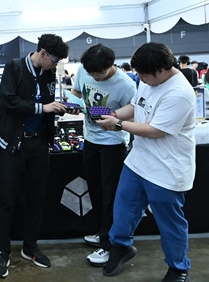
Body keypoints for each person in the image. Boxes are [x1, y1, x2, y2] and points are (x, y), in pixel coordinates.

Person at [96, 42, 196, 282]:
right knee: (123, 209)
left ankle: (178, 267)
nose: (139, 78)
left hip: (167, 169)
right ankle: (121, 246)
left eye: (143, 75)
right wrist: (113, 115)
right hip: (138, 161)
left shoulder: (179, 93)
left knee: (170, 222)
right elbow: (136, 105)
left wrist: (118, 125)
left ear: (160, 70)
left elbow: (155, 131)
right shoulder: (149, 79)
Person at [0, 34, 71, 278]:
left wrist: (56, 108)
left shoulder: (49, 74)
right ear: (43, 53)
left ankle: (30, 247)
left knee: (36, 198)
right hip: (13, 144)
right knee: (6, 199)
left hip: (39, 143)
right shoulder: (14, 67)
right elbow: (8, 101)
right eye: (54, 60)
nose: (55, 65)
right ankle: (2, 252)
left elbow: (46, 102)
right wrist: (42, 108)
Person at [69, 44, 136, 266]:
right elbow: (77, 93)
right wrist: (73, 105)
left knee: (110, 196)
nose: (95, 77)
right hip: (90, 140)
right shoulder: (85, 70)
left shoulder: (126, 85)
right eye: (91, 74)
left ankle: (109, 246)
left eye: (99, 74)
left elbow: (135, 115)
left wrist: (114, 120)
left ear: (111, 65)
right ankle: (103, 233)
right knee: (96, 191)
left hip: (113, 144)